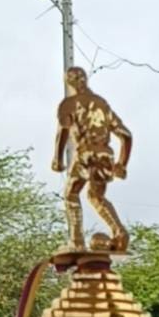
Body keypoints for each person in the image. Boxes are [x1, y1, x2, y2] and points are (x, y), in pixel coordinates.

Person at [52, 66, 132, 253]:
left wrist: (57, 158)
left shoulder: (69, 104)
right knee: (96, 196)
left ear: (69, 82)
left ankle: (77, 241)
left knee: (71, 194)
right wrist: (122, 164)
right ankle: (119, 231)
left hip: (86, 153)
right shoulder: (102, 104)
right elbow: (126, 135)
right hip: (105, 155)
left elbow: (63, 131)